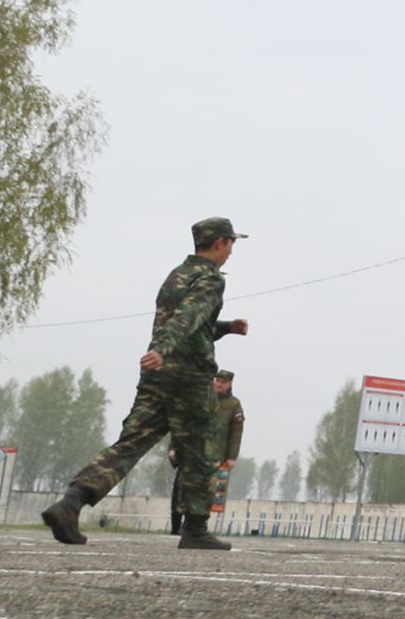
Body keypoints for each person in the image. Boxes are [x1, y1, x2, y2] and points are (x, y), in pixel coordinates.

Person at [42, 218, 250, 551]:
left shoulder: (176, 276)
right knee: (200, 450)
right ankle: (195, 529)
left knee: (131, 442)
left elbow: (191, 323)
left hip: (157, 374)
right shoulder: (210, 279)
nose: (231, 252)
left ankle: (71, 503)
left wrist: (224, 327)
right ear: (220, 243)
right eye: (231, 244)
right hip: (189, 377)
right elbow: (190, 316)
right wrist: (163, 349)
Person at [169, 370, 245, 535]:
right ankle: (176, 525)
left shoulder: (234, 405)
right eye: (217, 380)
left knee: (203, 491)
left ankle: (192, 527)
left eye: (223, 381)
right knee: (181, 487)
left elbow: (236, 433)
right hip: (191, 449)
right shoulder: (200, 398)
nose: (218, 384)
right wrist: (173, 447)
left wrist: (232, 457)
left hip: (214, 455)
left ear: (229, 384)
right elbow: (181, 423)